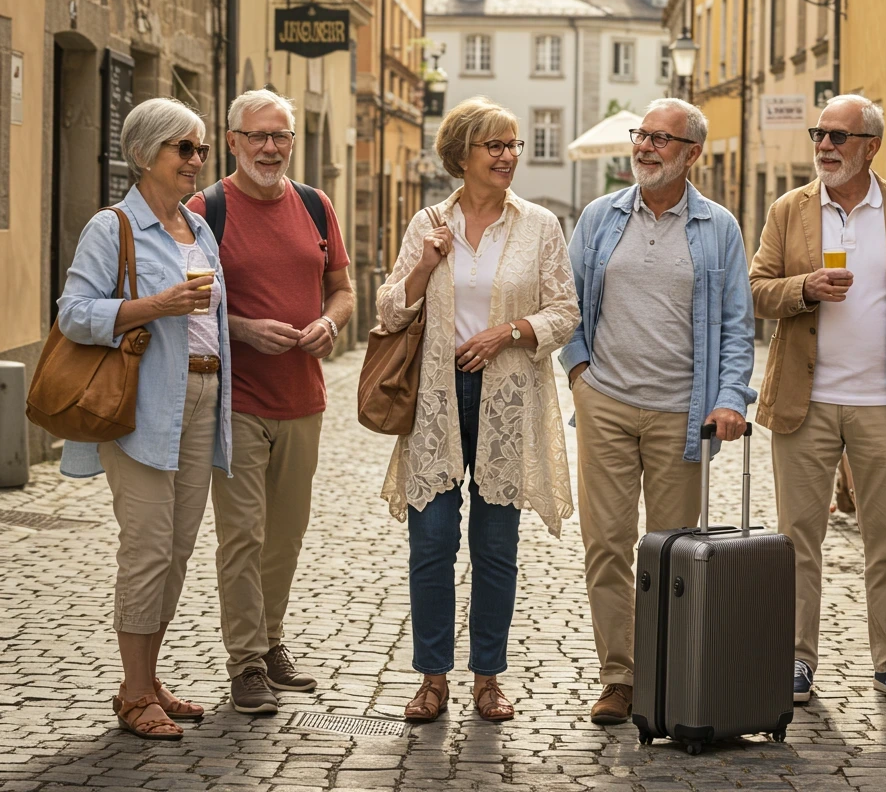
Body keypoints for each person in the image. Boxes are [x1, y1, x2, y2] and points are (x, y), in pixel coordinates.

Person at [750, 93, 886, 704]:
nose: (824, 145)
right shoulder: (789, 209)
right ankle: (795, 660)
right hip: (805, 398)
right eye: (819, 134)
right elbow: (758, 289)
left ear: (871, 145)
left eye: (838, 136)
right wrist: (805, 287)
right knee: (796, 540)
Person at [376, 96, 579, 723]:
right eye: (495, 145)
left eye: (514, 145)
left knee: (496, 546)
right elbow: (389, 310)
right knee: (431, 542)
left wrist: (508, 333)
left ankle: (488, 678)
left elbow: (565, 311)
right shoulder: (427, 223)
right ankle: (431, 679)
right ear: (461, 154)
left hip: (507, 398)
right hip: (437, 396)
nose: (509, 156)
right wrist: (426, 266)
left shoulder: (540, 225)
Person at [561, 97, 756, 725]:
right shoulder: (599, 216)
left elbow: (735, 324)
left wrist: (729, 398)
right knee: (607, 545)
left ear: (692, 153)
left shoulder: (718, 227)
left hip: (683, 411)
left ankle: (667, 676)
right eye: (641, 136)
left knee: (671, 550)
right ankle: (619, 677)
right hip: (607, 404)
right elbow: (566, 301)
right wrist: (579, 373)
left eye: (661, 140)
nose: (645, 148)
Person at [57, 98, 231, 739]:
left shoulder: (199, 228)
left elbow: (211, 319)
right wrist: (154, 304)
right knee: (148, 545)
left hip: (204, 398)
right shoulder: (113, 228)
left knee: (179, 549)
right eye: (184, 149)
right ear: (144, 154)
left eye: (202, 149)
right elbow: (73, 313)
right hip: (143, 404)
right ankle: (134, 695)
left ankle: (148, 677)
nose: (197, 161)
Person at [187, 89, 353, 715]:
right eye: (256, 136)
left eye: (279, 136)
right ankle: (246, 664)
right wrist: (243, 329)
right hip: (235, 400)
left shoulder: (315, 205)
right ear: (232, 142)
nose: (270, 147)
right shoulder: (205, 211)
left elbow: (343, 288)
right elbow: (187, 303)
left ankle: (272, 639)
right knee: (242, 535)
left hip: (303, 399)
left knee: (285, 536)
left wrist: (332, 324)